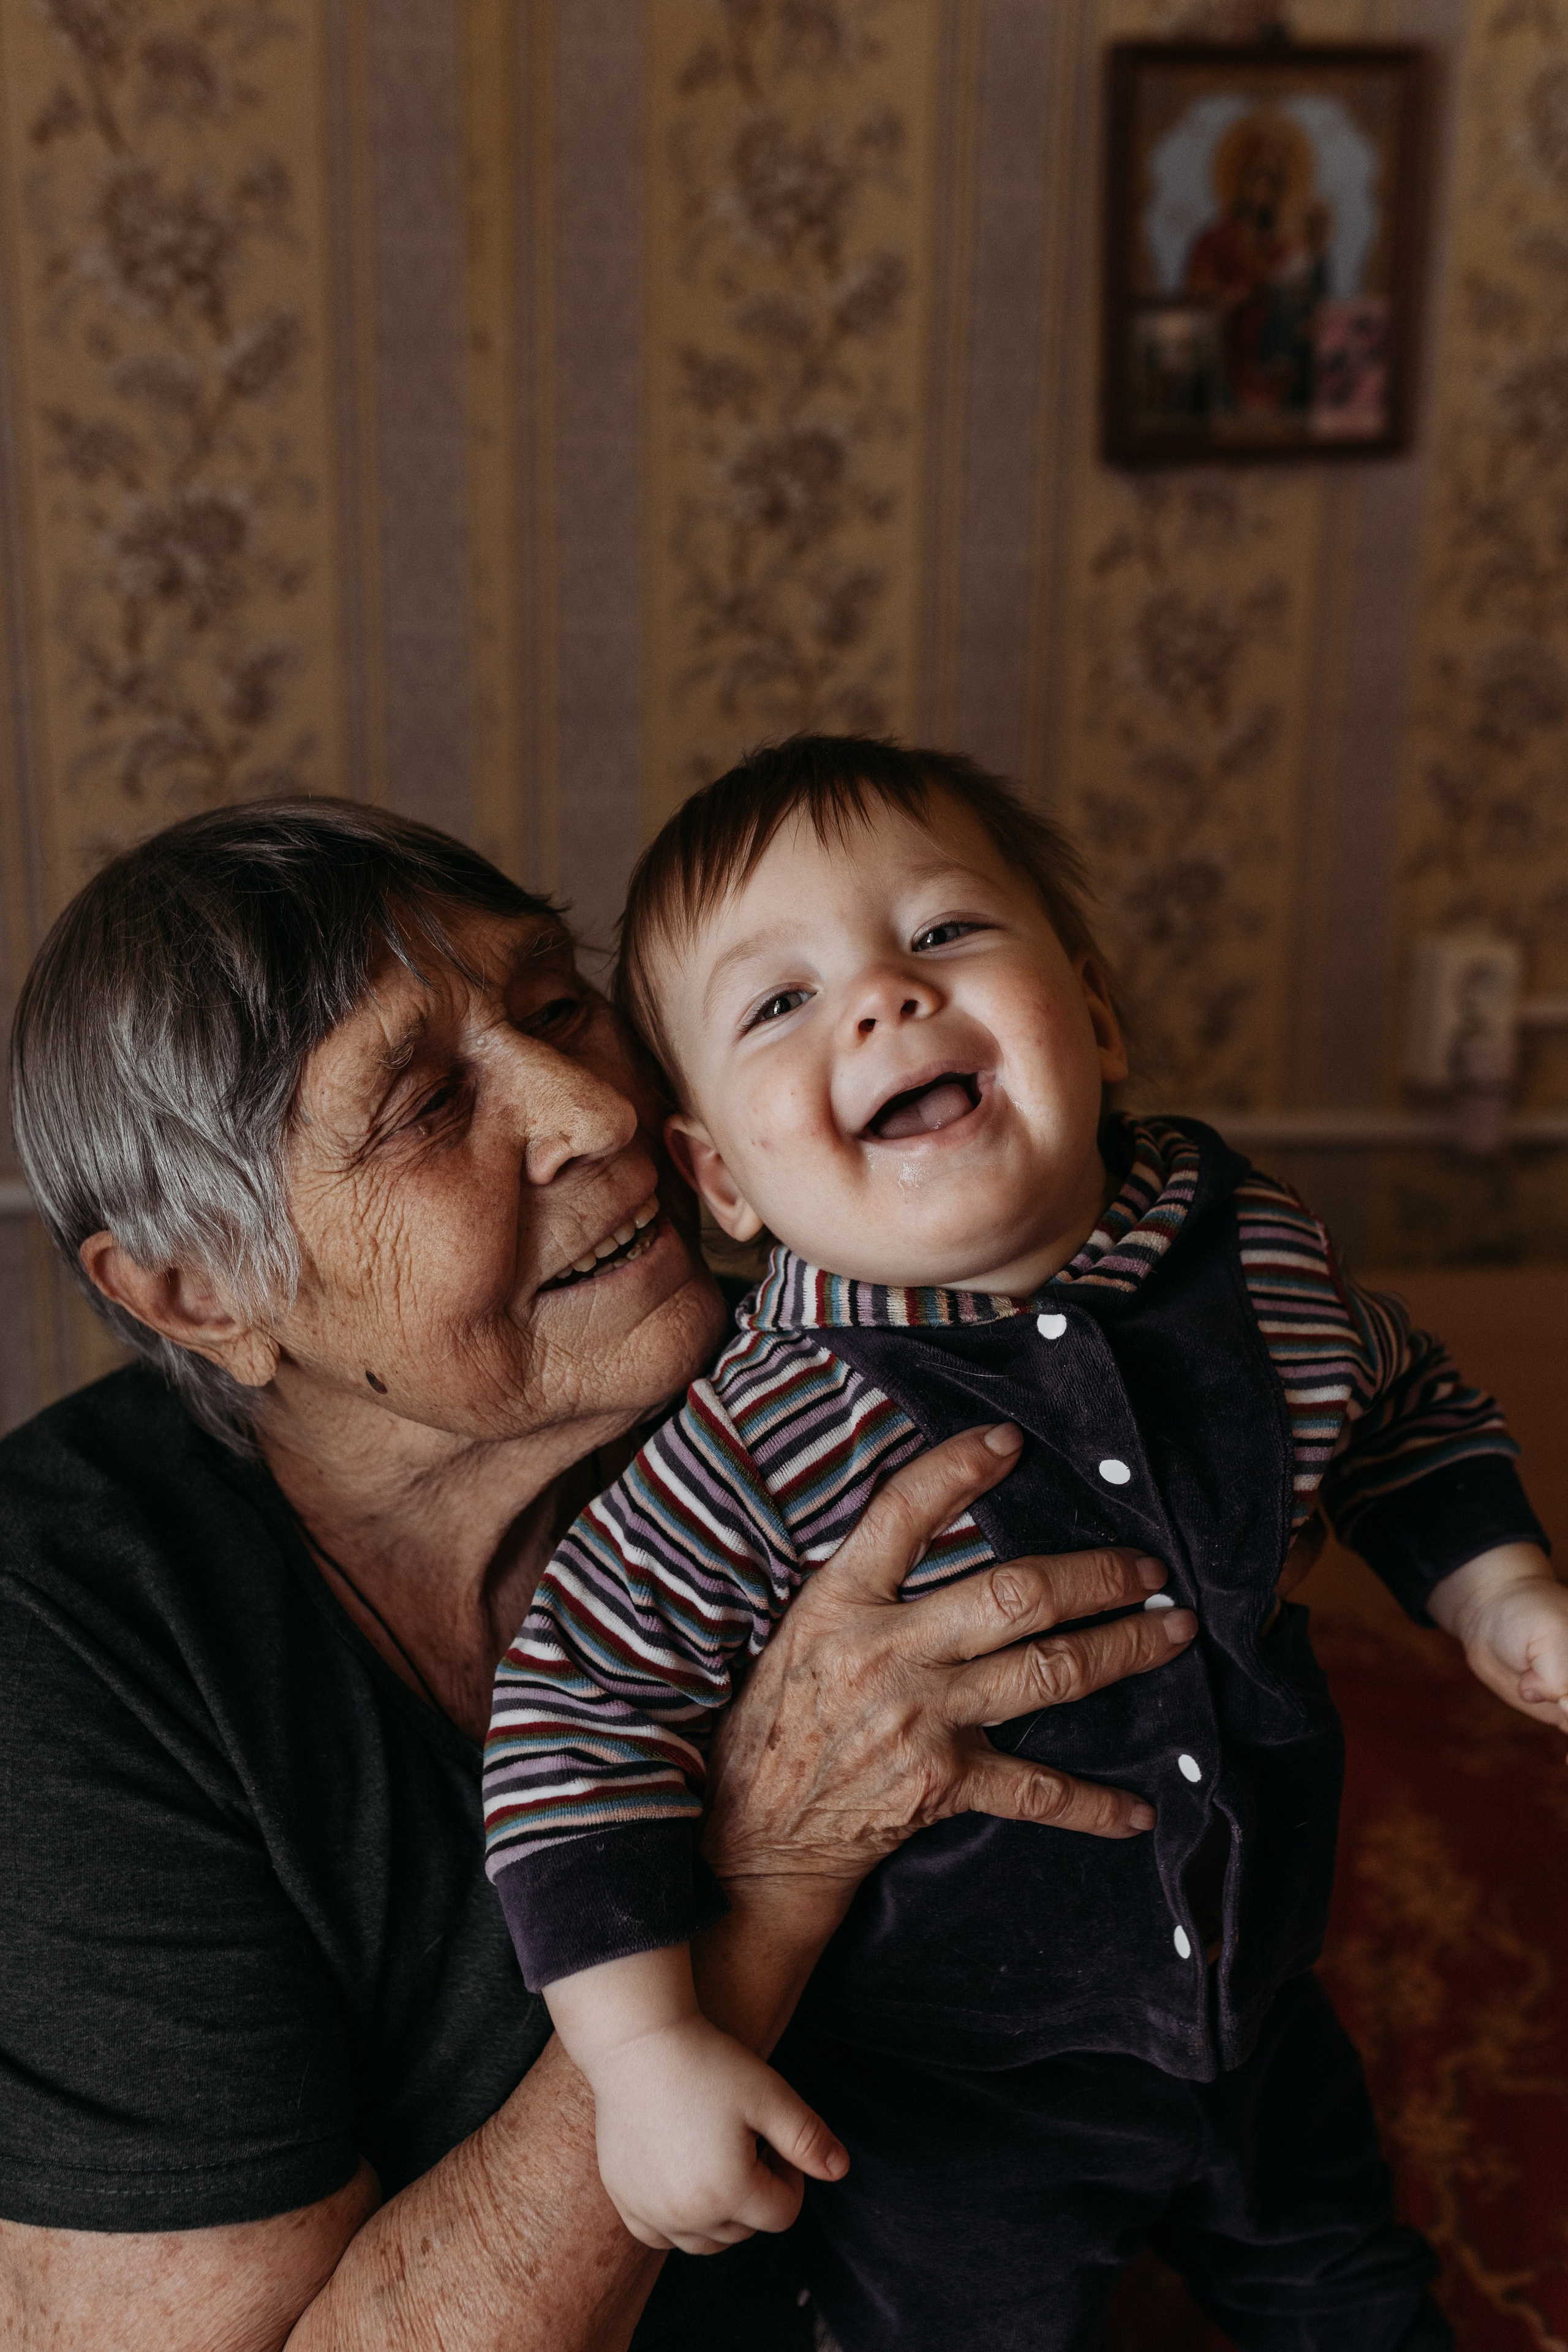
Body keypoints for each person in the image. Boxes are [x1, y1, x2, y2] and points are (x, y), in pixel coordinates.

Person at [0, 798, 1196, 2352]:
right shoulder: (67, 1650)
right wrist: (766, 1870)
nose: (595, 1111)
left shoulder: (834, 1365)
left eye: (560, 1005)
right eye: (426, 1105)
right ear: (200, 1290)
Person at [484, 736, 1568, 2352]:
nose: (882, 1000)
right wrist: (644, 2055)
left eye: (941, 935)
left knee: (1353, 2292)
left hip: (1262, 2008)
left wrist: (1498, 1588)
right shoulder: (778, 1420)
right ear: (721, 1177)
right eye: (777, 1003)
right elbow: (579, 1706)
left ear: (1099, 1017)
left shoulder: (1247, 1250)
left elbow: (1398, 1402)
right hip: (951, 2097)